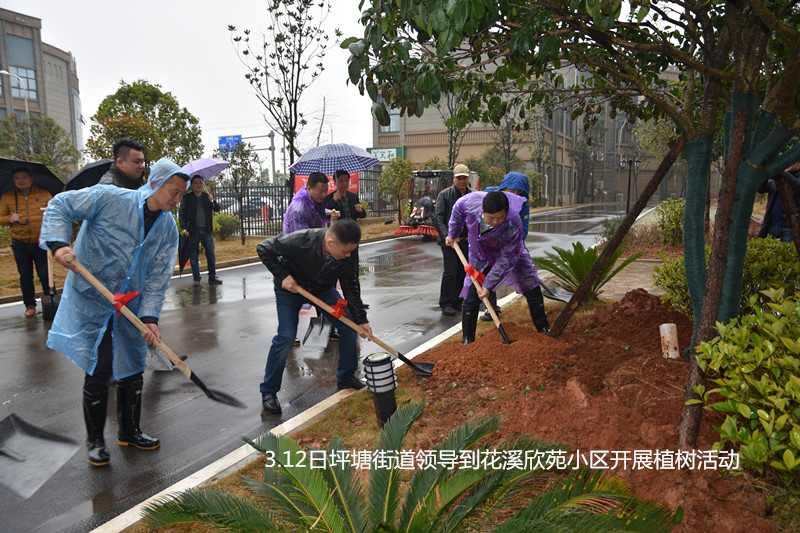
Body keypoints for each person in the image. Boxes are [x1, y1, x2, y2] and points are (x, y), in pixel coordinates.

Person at [41, 157, 189, 467]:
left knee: (134, 362)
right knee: (100, 363)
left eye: (181, 195)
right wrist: (58, 244)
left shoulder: (167, 229)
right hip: (93, 295)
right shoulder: (108, 197)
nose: (177, 200)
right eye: (173, 192)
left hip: (131, 301)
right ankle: (95, 439)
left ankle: (129, 430)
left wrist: (149, 318)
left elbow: (158, 276)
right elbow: (60, 205)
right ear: (155, 184)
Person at [257, 219, 372, 415]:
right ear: (330, 244)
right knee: (285, 337)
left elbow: (350, 284)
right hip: (290, 290)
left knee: (349, 326)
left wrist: (361, 319)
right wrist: (282, 275)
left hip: (323, 290)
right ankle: (269, 391)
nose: (349, 255)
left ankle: (345, 377)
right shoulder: (302, 240)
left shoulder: (348, 250)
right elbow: (263, 248)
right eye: (345, 252)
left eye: (352, 251)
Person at [446, 190, 549, 344]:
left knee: (530, 282)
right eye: (491, 218)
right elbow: (457, 211)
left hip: (510, 252)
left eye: (500, 217)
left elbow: (506, 260)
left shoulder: (514, 224)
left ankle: (543, 328)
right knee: (472, 292)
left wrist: (488, 285)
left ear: (506, 212)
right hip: (480, 253)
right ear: (482, 210)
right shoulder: (470, 203)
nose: (495, 222)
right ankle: (468, 341)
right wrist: (453, 233)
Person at [0, 167, 52, 317]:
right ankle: (30, 305)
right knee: (25, 275)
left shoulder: (44, 194)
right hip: (20, 242)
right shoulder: (7, 197)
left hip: (41, 241)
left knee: (45, 275)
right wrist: (9, 219)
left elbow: (56, 211)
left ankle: (50, 303)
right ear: (13, 181)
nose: (21, 181)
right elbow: (0, 217)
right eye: (17, 178)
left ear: (31, 179)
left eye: (24, 177)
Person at [480, 171, 531, 321]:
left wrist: (515, 249)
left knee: (526, 273)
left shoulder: (523, 203)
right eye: (511, 190)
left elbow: (524, 228)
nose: (515, 193)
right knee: (488, 275)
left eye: (518, 191)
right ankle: (491, 309)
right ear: (503, 188)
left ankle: (535, 305)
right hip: (490, 243)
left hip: (513, 244)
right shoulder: (490, 194)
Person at [434, 163, 472, 316]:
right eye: (459, 178)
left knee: (463, 271)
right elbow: (438, 217)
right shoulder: (445, 195)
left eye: (464, 178)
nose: (462, 181)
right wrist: (447, 236)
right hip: (449, 241)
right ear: (454, 179)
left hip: (465, 240)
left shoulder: (471, 195)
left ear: (468, 178)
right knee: (450, 273)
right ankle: (446, 303)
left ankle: (458, 301)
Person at [179, 176, 223, 286]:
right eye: (196, 183)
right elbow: (182, 214)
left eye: (201, 183)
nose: (199, 185)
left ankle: (212, 276)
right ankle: (196, 278)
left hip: (206, 230)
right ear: (191, 185)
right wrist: (184, 227)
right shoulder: (187, 198)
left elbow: (217, 208)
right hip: (193, 231)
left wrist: (212, 200)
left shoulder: (206, 197)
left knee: (211, 254)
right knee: (193, 256)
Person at [757, 162, 800, 242]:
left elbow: (797, 187)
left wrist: (785, 173)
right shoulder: (776, 178)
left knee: (788, 253)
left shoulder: (793, 178)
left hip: (791, 229)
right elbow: (760, 189)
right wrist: (767, 174)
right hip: (771, 225)